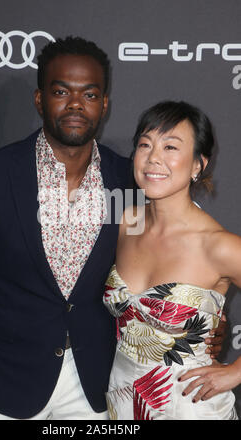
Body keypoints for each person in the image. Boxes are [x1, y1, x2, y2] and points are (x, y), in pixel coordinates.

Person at [0, 38, 224, 420]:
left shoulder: (131, 180)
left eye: (89, 94)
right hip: (4, 385)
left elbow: (167, 261)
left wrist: (209, 325)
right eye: (61, 91)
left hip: (96, 389)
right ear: (40, 100)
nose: (76, 104)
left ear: (104, 104)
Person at [103, 100, 240, 420]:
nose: (154, 158)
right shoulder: (126, 222)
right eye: (145, 145)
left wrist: (235, 372)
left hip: (190, 407)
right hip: (122, 402)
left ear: (198, 165)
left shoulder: (217, 246)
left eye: (171, 147)